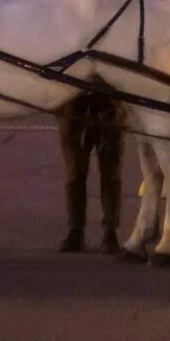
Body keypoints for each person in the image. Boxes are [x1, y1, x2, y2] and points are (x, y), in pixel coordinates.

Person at [56, 93, 126, 254]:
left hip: (107, 105)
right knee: (75, 174)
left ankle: (110, 231)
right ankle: (76, 230)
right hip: (73, 107)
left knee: (110, 173)